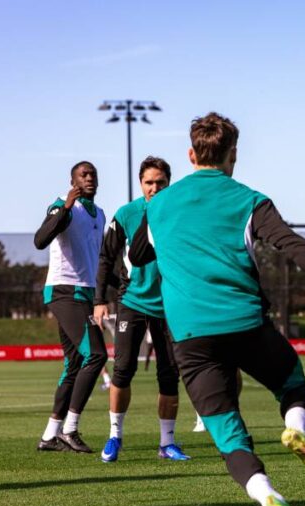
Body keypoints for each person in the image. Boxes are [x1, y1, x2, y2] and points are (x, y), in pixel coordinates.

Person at [129, 112, 305, 506]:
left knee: (228, 434)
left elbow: (138, 254)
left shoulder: (157, 205)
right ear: (232, 154)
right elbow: (289, 242)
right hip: (245, 323)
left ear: (191, 154)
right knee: (294, 387)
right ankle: (295, 431)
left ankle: (268, 495)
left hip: (191, 337)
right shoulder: (250, 200)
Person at [94, 156, 190, 463]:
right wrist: (99, 299)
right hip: (132, 303)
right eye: (149, 182)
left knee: (169, 375)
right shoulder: (126, 214)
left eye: (160, 182)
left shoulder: (180, 214)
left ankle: (167, 443)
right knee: (122, 371)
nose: (154, 188)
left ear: (169, 183)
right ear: (141, 183)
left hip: (169, 305)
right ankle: (115, 437)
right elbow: (106, 258)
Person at [33, 161, 108, 453]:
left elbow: (99, 259)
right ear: (73, 180)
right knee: (97, 355)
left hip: (86, 293)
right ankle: (70, 429)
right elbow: (40, 240)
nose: (89, 178)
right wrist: (65, 207)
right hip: (64, 290)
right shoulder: (63, 207)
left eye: (93, 174)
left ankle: (49, 436)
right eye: (83, 174)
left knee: (74, 363)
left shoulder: (100, 214)